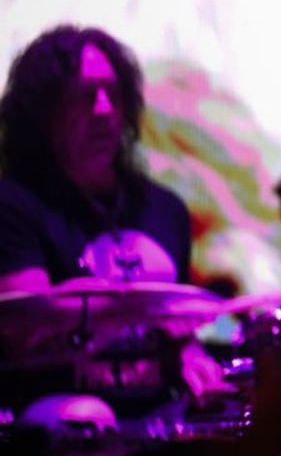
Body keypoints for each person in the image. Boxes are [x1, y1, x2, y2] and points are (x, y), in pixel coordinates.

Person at [0, 25, 226, 402]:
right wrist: (127, 306)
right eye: (84, 96)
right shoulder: (14, 205)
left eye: (114, 94)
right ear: (43, 113)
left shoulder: (165, 209)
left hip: (158, 419)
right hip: (58, 420)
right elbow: (24, 326)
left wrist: (189, 355)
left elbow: (171, 335)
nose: (104, 110)